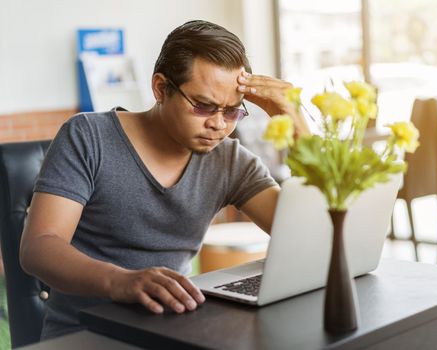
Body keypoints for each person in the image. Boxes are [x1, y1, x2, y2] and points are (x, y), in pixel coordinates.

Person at [19, 20, 309, 340]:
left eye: (231, 111)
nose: (218, 124)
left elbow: (304, 234)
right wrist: (122, 281)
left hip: (172, 329)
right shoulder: (88, 137)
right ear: (160, 88)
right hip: (83, 333)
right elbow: (39, 247)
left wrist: (297, 124)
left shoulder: (230, 160)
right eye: (203, 106)